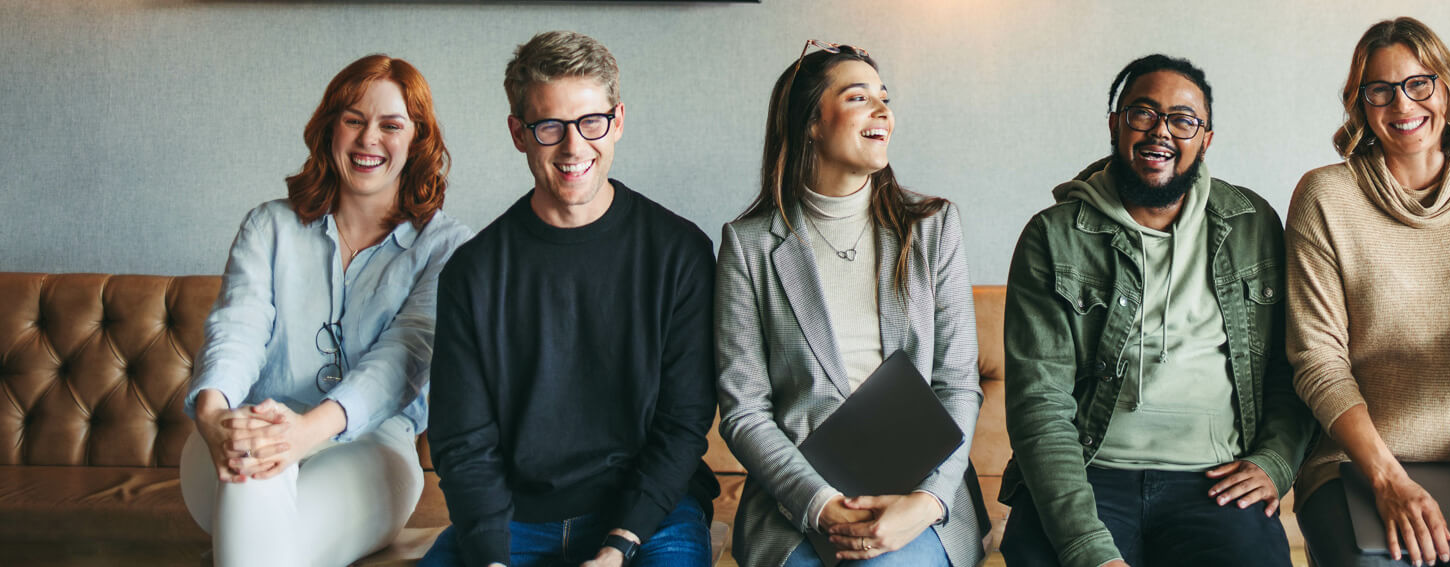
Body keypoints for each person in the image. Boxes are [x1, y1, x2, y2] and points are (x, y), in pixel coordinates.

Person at [999, 54, 1315, 567]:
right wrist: (1089, 549)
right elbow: (1040, 403)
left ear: (1205, 138)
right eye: (1142, 113)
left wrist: (1275, 462)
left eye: (1183, 119)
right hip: (1088, 473)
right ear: (1115, 125)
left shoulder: (1254, 225)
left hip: (1217, 480)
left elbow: (1293, 365)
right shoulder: (1054, 235)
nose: (1160, 131)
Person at [422, 31, 719, 567]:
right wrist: (489, 556)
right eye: (550, 126)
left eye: (591, 122)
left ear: (618, 120)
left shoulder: (680, 253)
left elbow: (683, 422)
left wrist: (618, 547)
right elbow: (462, 440)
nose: (574, 146)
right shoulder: (474, 271)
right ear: (519, 132)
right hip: (513, 518)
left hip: (650, 515)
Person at [181, 54, 473, 567]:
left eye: (390, 125)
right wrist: (212, 417)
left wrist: (303, 434)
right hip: (242, 430)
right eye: (353, 120)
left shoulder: (446, 247)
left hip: (374, 448)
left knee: (263, 522)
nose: (368, 140)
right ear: (330, 128)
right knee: (257, 462)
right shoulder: (268, 225)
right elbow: (238, 327)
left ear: (416, 139)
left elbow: (402, 358)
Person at [1287, 18, 1450, 567]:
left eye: (1418, 83)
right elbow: (1319, 361)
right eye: (1378, 90)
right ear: (1360, 105)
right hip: (1354, 466)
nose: (1402, 104)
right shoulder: (1325, 197)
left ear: (1447, 89)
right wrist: (1386, 479)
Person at [716, 41, 984, 567]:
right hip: (796, 501)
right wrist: (820, 505)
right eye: (859, 97)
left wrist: (926, 503)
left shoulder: (932, 228)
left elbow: (957, 384)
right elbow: (744, 409)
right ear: (811, 122)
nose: (883, 111)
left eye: (885, 97)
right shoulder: (748, 245)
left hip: (920, 491)